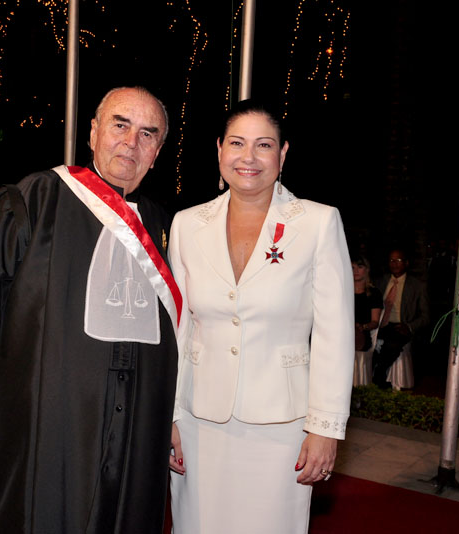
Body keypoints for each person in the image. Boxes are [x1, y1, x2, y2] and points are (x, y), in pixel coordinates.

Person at [0, 86, 180, 533]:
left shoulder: (161, 223)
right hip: (46, 415)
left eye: (147, 133)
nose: (131, 142)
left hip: (138, 421)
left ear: (157, 152)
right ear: (93, 133)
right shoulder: (35, 198)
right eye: (120, 125)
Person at [168, 100, 354, 533]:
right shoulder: (186, 225)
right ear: (219, 149)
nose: (248, 157)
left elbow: (336, 333)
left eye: (263, 145)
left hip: (282, 426)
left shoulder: (318, 223)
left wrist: (325, 428)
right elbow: (178, 329)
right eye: (237, 143)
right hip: (198, 421)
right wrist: (170, 416)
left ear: (282, 154)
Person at [372, 248, 430, 388]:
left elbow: (425, 316)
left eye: (398, 260)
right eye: (392, 260)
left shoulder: (417, 286)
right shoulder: (380, 282)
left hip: (400, 326)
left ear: (406, 263)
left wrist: (409, 326)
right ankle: (371, 374)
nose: (395, 264)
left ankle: (378, 375)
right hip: (379, 324)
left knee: (392, 343)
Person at [353, 255, 383, 352]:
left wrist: (363, 327)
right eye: (352, 267)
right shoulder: (344, 291)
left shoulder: (374, 293)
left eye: (360, 267)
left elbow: (375, 322)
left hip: (361, 334)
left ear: (367, 270)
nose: (355, 271)